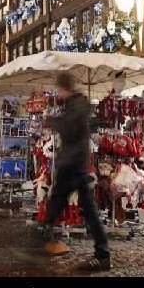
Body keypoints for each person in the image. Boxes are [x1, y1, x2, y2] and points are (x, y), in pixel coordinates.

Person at [43, 72, 111, 272]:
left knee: (58, 201)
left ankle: (41, 238)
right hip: (75, 163)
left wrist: (53, 121)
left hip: (73, 164)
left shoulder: (76, 105)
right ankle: (102, 252)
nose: (58, 93)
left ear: (63, 88)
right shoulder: (75, 105)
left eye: (59, 89)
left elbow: (70, 130)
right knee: (85, 208)